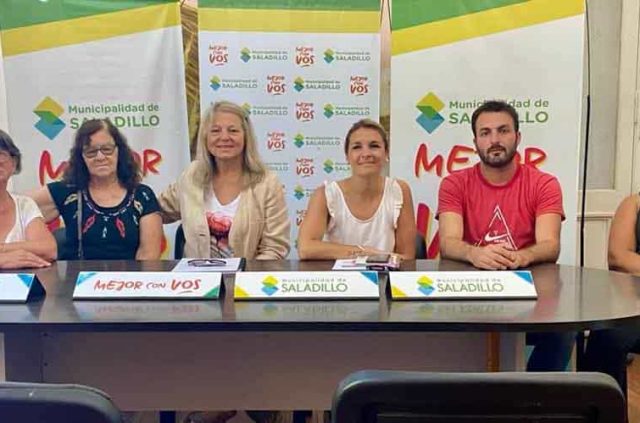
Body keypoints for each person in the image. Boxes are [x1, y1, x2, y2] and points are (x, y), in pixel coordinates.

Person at [437, 100, 573, 371]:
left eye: (503, 131)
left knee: (563, 332)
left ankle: (533, 395)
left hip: (529, 291)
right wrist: (474, 253)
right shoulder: (454, 183)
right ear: (475, 142)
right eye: (485, 133)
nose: (495, 140)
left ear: (518, 137)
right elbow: (448, 243)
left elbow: (550, 245)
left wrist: (521, 256)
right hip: (470, 293)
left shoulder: (544, 183)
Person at [158, 100, 290, 260]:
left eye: (233, 130)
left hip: (248, 274)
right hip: (196, 275)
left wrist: (244, 275)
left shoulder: (267, 183)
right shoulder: (191, 175)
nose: (224, 137)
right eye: (215, 131)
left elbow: (275, 248)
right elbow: (154, 211)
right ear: (205, 137)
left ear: (246, 137)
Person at [30, 119, 162, 260]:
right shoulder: (67, 191)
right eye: (91, 152)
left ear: (119, 151)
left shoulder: (143, 195)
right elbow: (18, 207)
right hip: (76, 275)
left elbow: (149, 257)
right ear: (81, 157)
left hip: (130, 275)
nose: (100, 157)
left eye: (107, 149)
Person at [297, 118, 416, 260]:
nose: (366, 154)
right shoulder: (325, 194)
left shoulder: (400, 190)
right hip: (339, 274)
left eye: (374, 146)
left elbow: (406, 257)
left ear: (386, 153)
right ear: (347, 157)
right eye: (357, 147)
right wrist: (362, 252)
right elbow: (305, 248)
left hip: (386, 274)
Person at [583, 194, 640, 395]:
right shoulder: (634, 203)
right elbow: (618, 257)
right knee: (608, 334)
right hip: (636, 307)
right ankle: (600, 407)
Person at [0, 130, 56, 269]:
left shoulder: (24, 205)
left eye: (1, 154)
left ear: (13, 163)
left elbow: (49, 250)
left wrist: (3, 249)